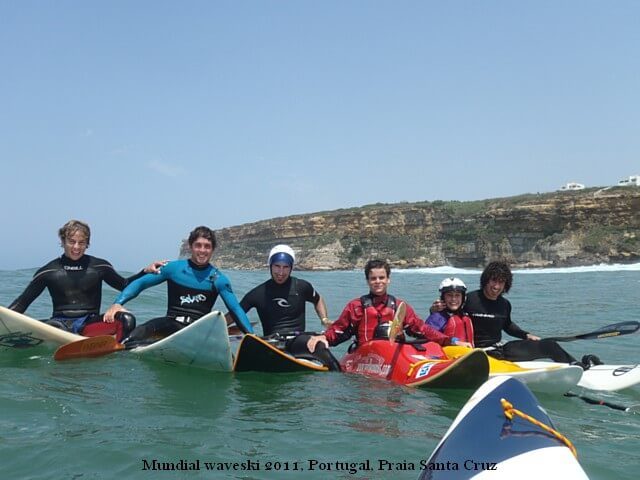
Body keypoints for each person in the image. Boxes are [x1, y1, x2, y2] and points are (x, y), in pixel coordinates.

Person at [8, 219, 163, 341]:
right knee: (53, 326)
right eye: (71, 241)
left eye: (81, 242)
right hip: (59, 324)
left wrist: (145, 271)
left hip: (89, 324)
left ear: (87, 244)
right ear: (63, 242)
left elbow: (124, 285)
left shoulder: (99, 266)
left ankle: (121, 350)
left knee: (127, 320)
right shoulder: (49, 271)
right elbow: (22, 303)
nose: (76, 247)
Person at [432, 260, 600, 368]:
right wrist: (434, 310)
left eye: (501, 282)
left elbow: (508, 326)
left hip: (499, 349)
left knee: (549, 345)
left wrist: (526, 335)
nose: (496, 287)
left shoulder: (504, 304)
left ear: (506, 285)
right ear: (486, 280)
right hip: (473, 354)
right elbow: (448, 312)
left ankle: (577, 367)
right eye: (493, 281)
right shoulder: (469, 299)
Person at [104, 226, 253, 343]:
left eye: (207, 246)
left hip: (198, 328)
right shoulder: (173, 269)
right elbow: (141, 283)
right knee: (136, 335)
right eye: (198, 245)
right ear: (190, 246)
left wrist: (252, 336)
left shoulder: (219, 279)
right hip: (171, 323)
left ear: (212, 249)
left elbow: (235, 309)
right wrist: (118, 303)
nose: (202, 250)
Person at [307, 259, 456, 355]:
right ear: (367, 281)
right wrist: (323, 337)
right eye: (373, 278)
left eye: (382, 277)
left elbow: (421, 328)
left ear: (388, 280)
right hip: (366, 357)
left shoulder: (400, 306)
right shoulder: (356, 306)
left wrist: (449, 341)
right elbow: (339, 330)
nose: (378, 281)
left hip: (393, 357)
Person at [230, 244, 340, 370]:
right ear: (270, 266)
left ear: (291, 268)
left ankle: (337, 377)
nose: (281, 272)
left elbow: (318, 299)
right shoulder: (258, 293)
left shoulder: (301, 287)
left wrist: (324, 319)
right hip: (271, 344)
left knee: (321, 347)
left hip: (297, 340)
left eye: (286, 267)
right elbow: (236, 312)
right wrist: (219, 323)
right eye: (277, 266)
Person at [425, 277, 474, 346]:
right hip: (444, 354)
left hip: (466, 353)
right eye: (449, 295)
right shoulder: (437, 317)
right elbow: (428, 335)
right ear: (443, 298)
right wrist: (454, 342)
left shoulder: (465, 314)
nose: (453, 299)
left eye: (457, 295)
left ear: (463, 298)